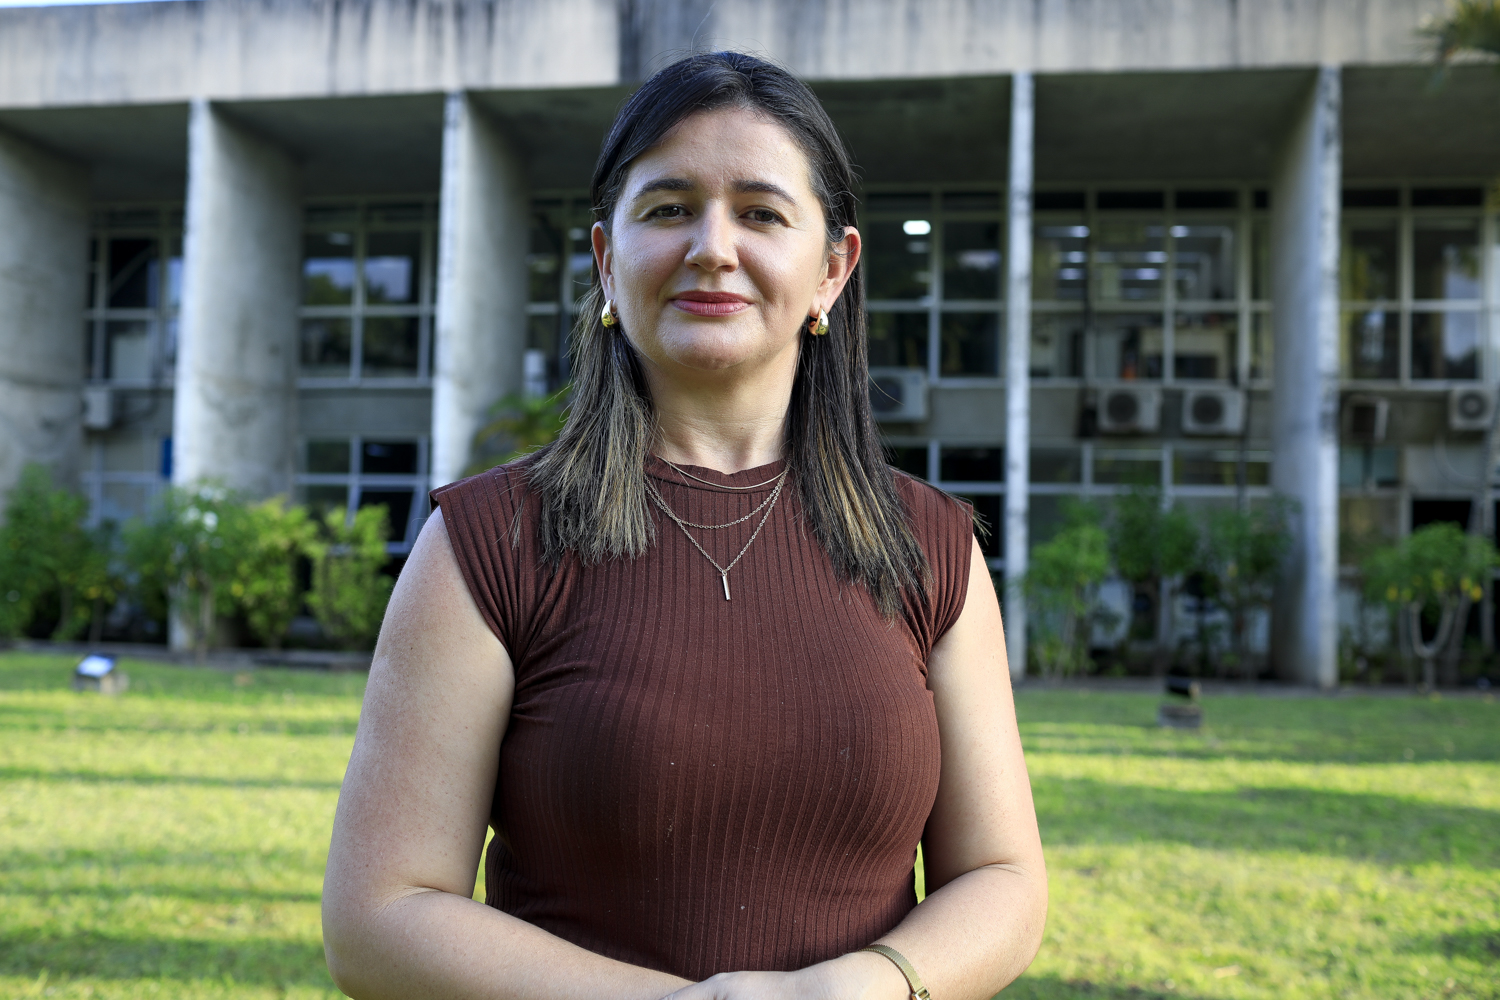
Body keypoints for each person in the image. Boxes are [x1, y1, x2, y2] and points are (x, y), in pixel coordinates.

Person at [322, 51, 1046, 1000]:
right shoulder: (488, 544)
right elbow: (380, 917)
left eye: (761, 212)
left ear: (833, 269)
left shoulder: (928, 548)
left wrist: (849, 990)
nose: (712, 245)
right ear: (607, 260)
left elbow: (1003, 879)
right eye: (668, 209)